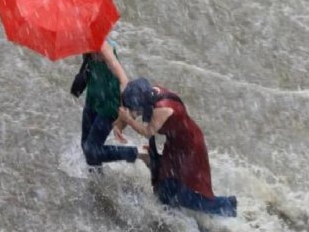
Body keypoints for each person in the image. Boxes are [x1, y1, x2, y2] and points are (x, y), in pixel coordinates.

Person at [114, 77, 237, 216]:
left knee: (187, 190)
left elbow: (147, 132)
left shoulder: (162, 108)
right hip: (175, 142)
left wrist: (128, 120)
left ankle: (227, 206)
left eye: (135, 109)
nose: (134, 112)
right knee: (165, 182)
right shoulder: (149, 93)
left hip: (190, 147)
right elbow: (130, 112)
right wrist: (119, 125)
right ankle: (170, 212)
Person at [73, 39, 139, 169]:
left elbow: (122, 76)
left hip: (109, 105)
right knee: (86, 146)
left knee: (91, 150)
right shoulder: (85, 43)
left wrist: (124, 116)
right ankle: (96, 184)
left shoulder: (103, 47)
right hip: (92, 98)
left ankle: (137, 154)